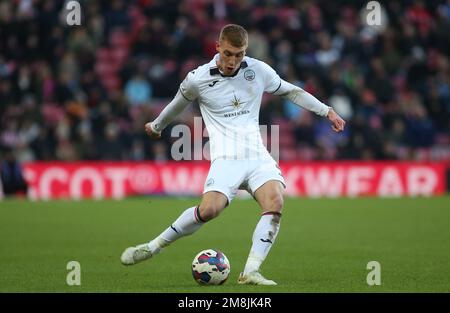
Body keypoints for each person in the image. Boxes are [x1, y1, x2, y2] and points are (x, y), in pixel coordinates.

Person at [120, 24, 345, 285]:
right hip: (226, 159)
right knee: (210, 210)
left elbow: (291, 91)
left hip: (258, 155)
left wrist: (326, 110)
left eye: (239, 54)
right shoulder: (198, 78)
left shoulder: (258, 70)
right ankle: (154, 245)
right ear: (217, 47)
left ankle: (251, 270)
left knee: (275, 202)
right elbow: (176, 105)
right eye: (228, 53)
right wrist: (157, 126)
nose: (233, 60)